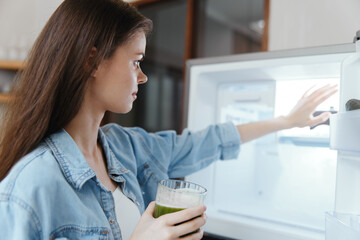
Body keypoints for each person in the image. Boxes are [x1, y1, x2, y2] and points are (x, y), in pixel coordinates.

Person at [0, 0, 337, 239]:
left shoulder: (126, 147)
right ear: (92, 61)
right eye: (136, 61)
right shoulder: (31, 186)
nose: (143, 76)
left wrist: (285, 120)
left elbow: (205, 142)